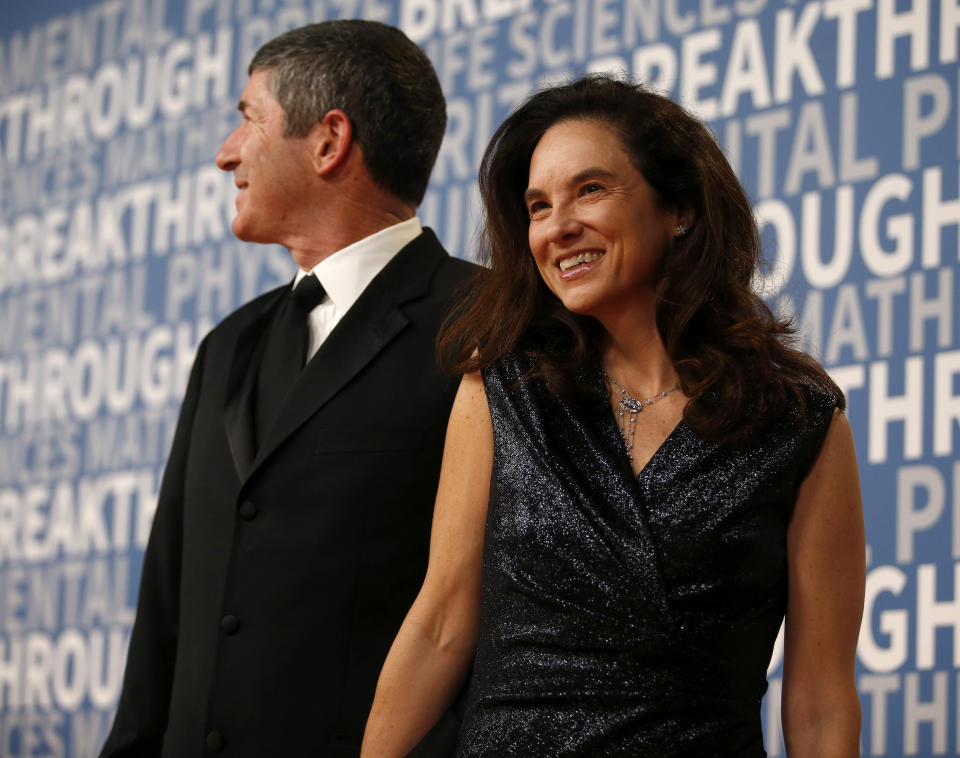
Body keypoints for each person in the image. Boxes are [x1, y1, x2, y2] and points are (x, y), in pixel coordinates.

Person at [361, 75, 865, 757]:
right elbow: (442, 624)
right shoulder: (503, 385)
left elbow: (822, 699)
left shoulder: (799, 422)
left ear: (677, 208)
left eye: (590, 190)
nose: (558, 226)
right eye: (538, 205)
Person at [100, 20, 474, 758]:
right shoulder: (227, 346)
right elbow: (169, 603)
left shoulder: (484, 324)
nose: (225, 153)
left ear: (329, 141)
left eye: (248, 119)